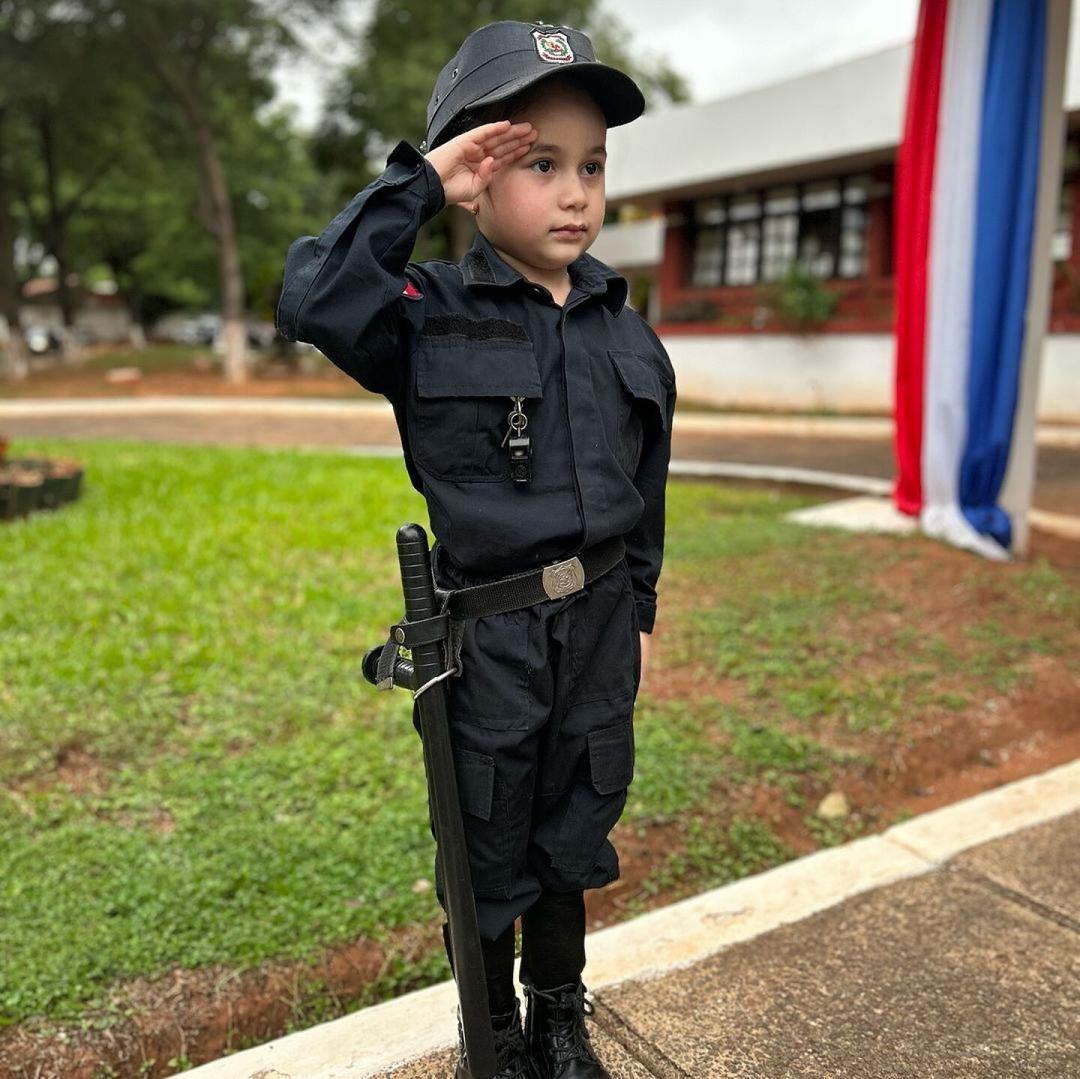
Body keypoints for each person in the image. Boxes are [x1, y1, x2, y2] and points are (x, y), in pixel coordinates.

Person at [277, 20, 676, 1079]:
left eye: (591, 164)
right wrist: (421, 182)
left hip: (594, 627)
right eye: (540, 163)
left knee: (571, 830)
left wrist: (632, 609)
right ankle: (489, 1030)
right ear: (479, 171)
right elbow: (314, 297)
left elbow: (648, 492)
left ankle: (556, 1016)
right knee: (485, 836)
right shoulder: (427, 314)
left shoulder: (628, 333)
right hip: (488, 638)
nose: (577, 192)